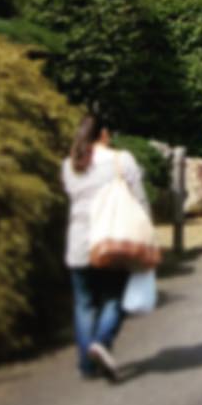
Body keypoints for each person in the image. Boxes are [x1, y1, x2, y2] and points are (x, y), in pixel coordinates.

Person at [61, 114, 149, 381]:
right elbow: (140, 201)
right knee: (115, 298)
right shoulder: (122, 161)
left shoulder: (69, 165)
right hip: (112, 242)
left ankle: (87, 366)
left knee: (84, 304)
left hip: (78, 244)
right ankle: (101, 341)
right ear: (104, 134)